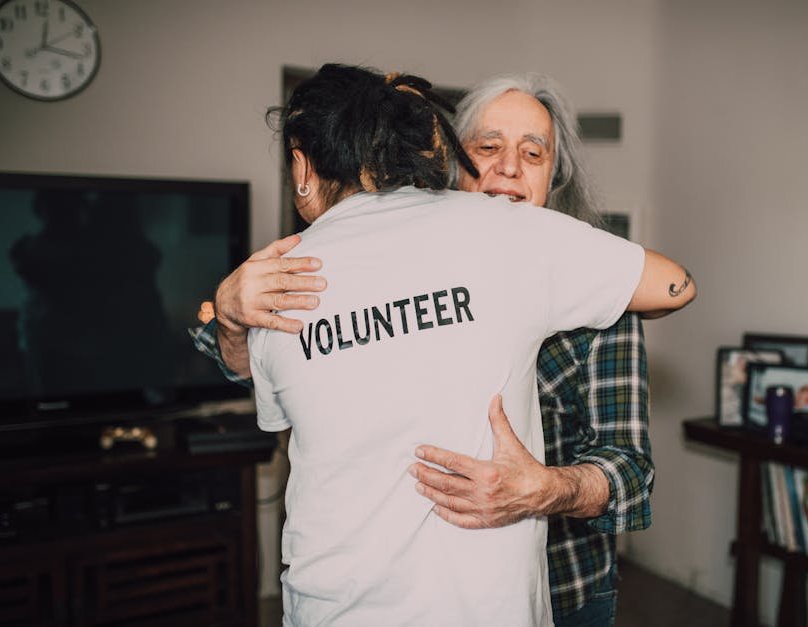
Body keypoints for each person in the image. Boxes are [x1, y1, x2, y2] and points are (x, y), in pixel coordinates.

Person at [192, 72, 669, 626]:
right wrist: (231, 311)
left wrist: (546, 488)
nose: (509, 167)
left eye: (533, 153)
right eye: (487, 148)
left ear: (553, 176)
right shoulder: (387, 254)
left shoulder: (601, 291)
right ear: (446, 159)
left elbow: (631, 469)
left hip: (564, 589)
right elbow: (263, 362)